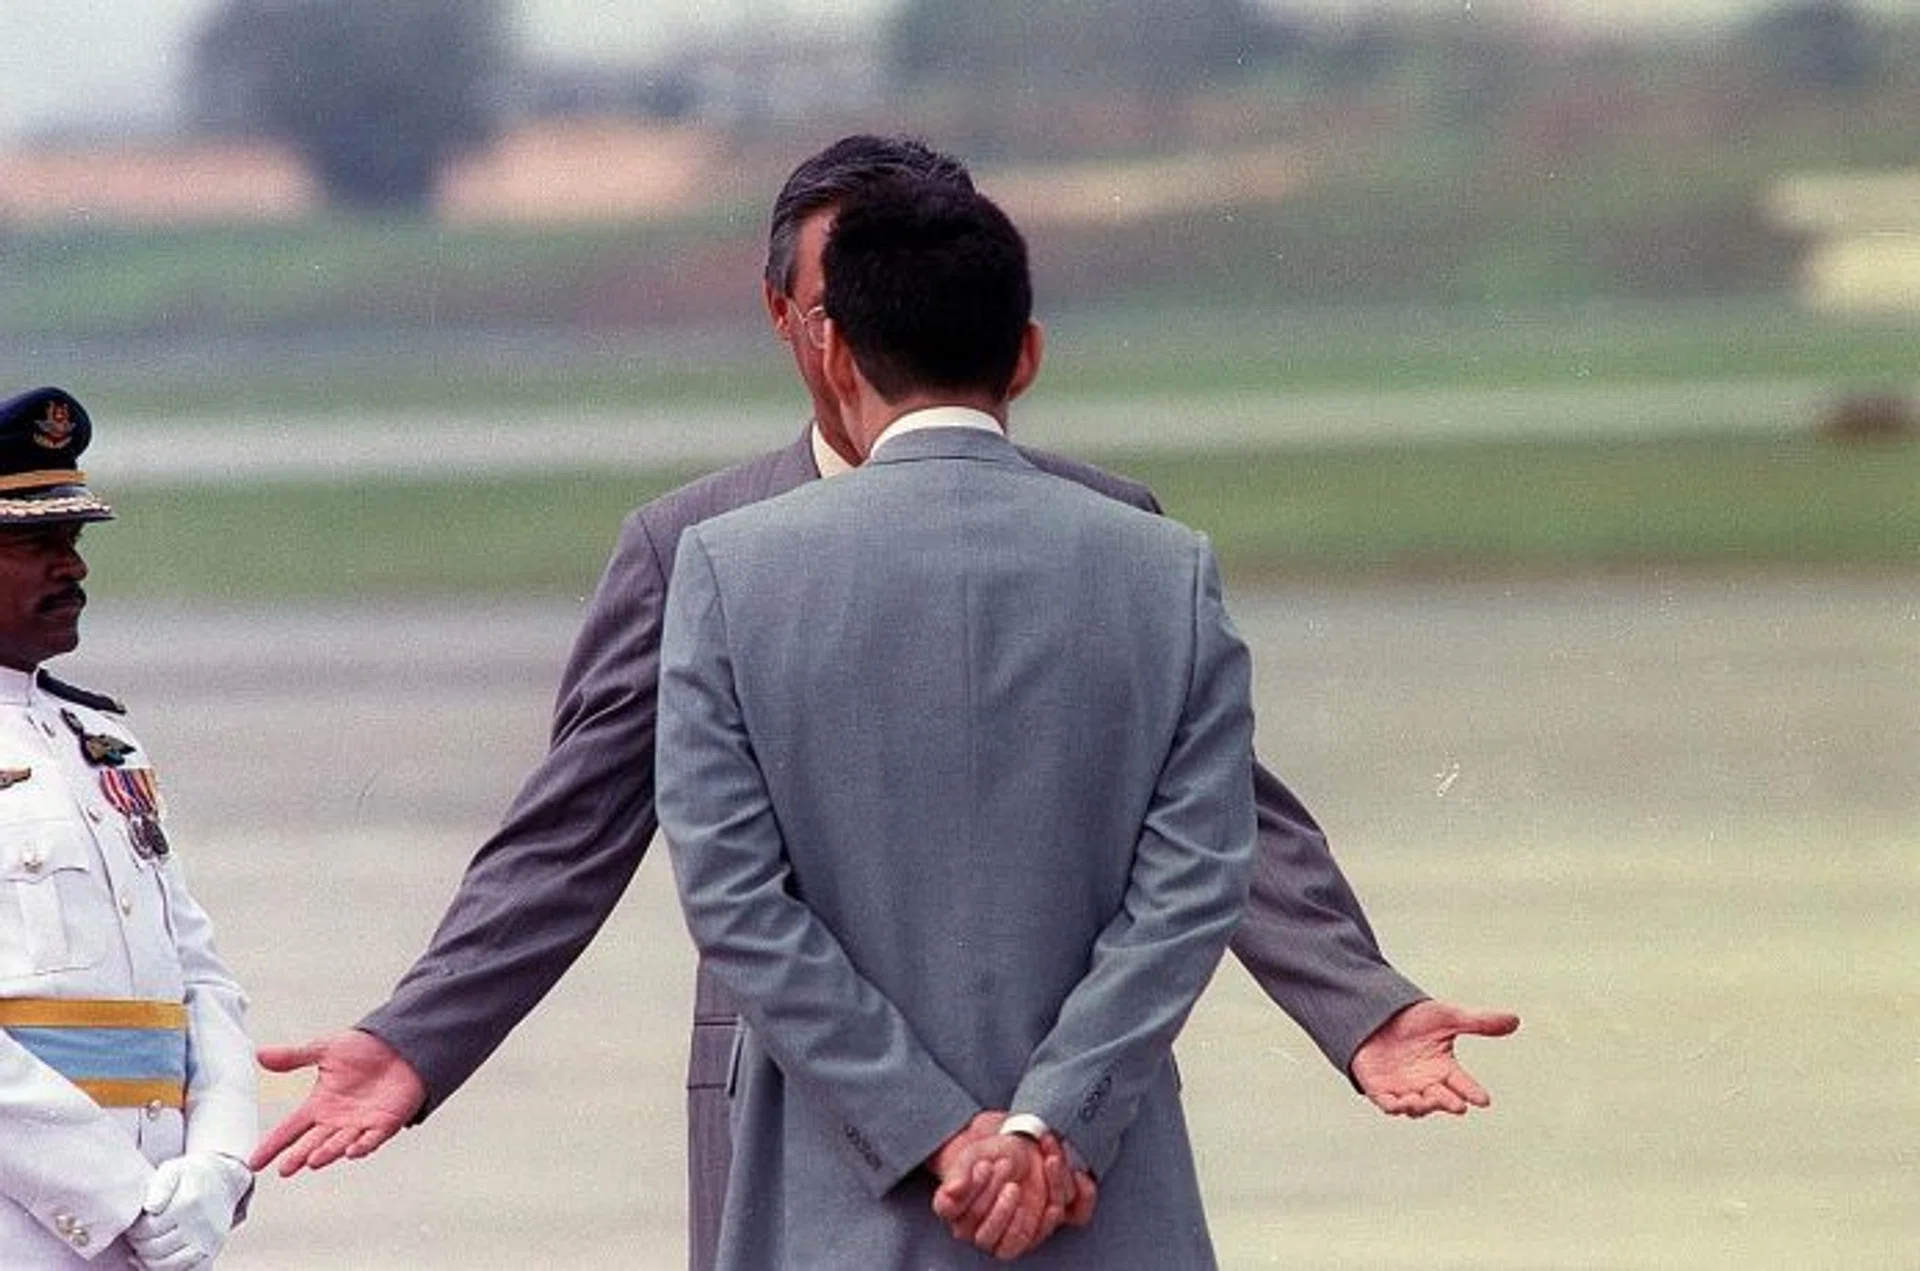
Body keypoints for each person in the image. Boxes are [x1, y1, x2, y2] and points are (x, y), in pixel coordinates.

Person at [252, 136, 1518, 1268]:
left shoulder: (1112, 526)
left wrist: (1361, 1002)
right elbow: (567, 838)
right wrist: (416, 1037)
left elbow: (1235, 826)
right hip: (811, 1124)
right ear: (789, 321)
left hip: (1074, 1122)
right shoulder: (693, 540)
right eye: (820, 297)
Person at [659, 175, 1256, 1267]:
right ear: (1025, 353)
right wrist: (1043, 1128)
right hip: (1101, 1208)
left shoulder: (730, 570)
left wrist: (939, 1132)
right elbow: (1194, 887)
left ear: (838, 354)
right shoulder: (1163, 568)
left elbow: (736, 905)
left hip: (838, 1210)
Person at [0, 387, 257, 1270]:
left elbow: (202, 980)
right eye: (35, 546)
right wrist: (114, 1195)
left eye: (72, 542)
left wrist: (219, 1166)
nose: (72, 568)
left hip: (159, 1226)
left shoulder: (100, 740)